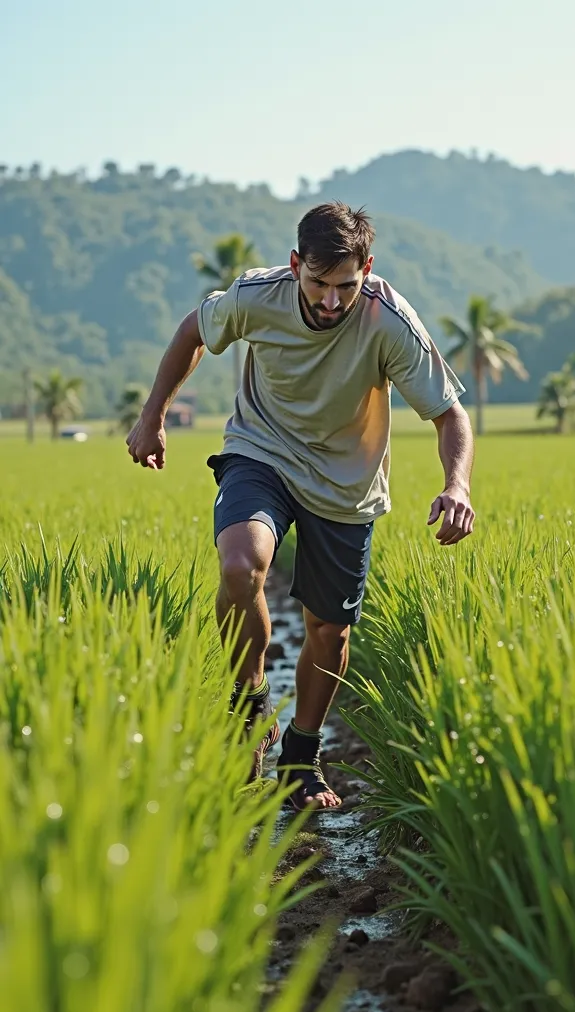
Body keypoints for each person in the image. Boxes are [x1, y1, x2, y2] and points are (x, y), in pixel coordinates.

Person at [126, 202, 475, 812]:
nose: (333, 300)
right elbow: (193, 332)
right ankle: (249, 700)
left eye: (347, 285)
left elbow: (449, 414)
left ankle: (301, 755)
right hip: (261, 452)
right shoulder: (259, 296)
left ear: (368, 268)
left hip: (345, 484)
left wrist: (457, 486)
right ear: (296, 266)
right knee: (240, 567)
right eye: (318, 282)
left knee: (329, 628)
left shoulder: (389, 321)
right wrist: (153, 415)